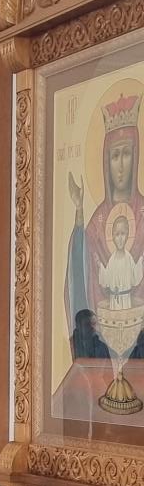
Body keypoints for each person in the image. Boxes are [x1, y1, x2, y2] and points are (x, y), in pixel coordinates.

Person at [65, 93, 144, 330]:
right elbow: (80, 273)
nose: (120, 165)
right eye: (114, 156)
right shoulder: (97, 222)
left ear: (136, 157)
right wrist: (79, 211)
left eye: (126, 154)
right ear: (105, 161)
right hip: (103, 335)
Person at [96, 214, 143, 310]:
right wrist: (99, 264)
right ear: (113, 237)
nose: (120, 238)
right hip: (114, 301)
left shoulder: (128, 258)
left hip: (126, 301)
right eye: (117, 234)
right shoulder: (112, 260)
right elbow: (106, 280)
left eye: (123, 234)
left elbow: (135, 277)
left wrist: (142, 259)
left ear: (127, 236)